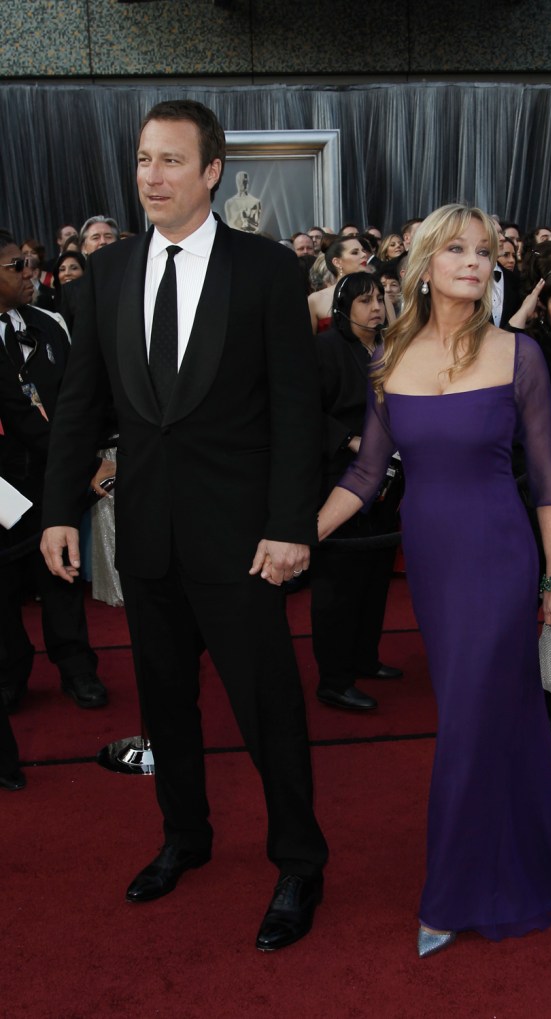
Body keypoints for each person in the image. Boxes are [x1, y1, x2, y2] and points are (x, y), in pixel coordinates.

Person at [40, 99, 328, 952]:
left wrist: (289, 525)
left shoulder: (271, 272)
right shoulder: (108, 273)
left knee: (267, 707)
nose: (151, 177)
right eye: (142, 160)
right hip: (149, 536)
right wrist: (60, 507)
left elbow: (296, 413)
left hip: (245, 543)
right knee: (165, 705)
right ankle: (185, 837)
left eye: (170, 161)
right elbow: (80, 405)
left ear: (212, 172)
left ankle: (300, 861)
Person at [317, 204, 551, 957]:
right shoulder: (388, 358)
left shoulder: (519, 356)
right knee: (492, 717)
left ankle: (450, 890)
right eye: (457, 248)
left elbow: (547, 479)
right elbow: (365, 471)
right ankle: (535, 848)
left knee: (469, 723)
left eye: (483, 251)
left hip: (500, 557)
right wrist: (299, 535)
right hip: (434, 567)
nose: (475, 261)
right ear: (424, 263)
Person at [0, 231, 106, 713]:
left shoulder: (50, 323)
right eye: (15, 266)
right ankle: (10, 673)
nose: (30, 273)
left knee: (61, 574)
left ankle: (77, 668)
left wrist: (84, 462)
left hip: (52, 477)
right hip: (2, 485)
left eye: (28, 263)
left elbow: (77, 402)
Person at [312, 272, 402, 713]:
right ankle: (334, 678)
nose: (376, 309)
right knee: (339, 585)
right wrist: (350, 439)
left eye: (380, 300)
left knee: (374, 577)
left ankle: (365, 658)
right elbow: (307, 409)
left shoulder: (391, 348)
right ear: (344, 306)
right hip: (340, 476)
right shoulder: (326, 348)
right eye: (365, 301)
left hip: (391, 476)